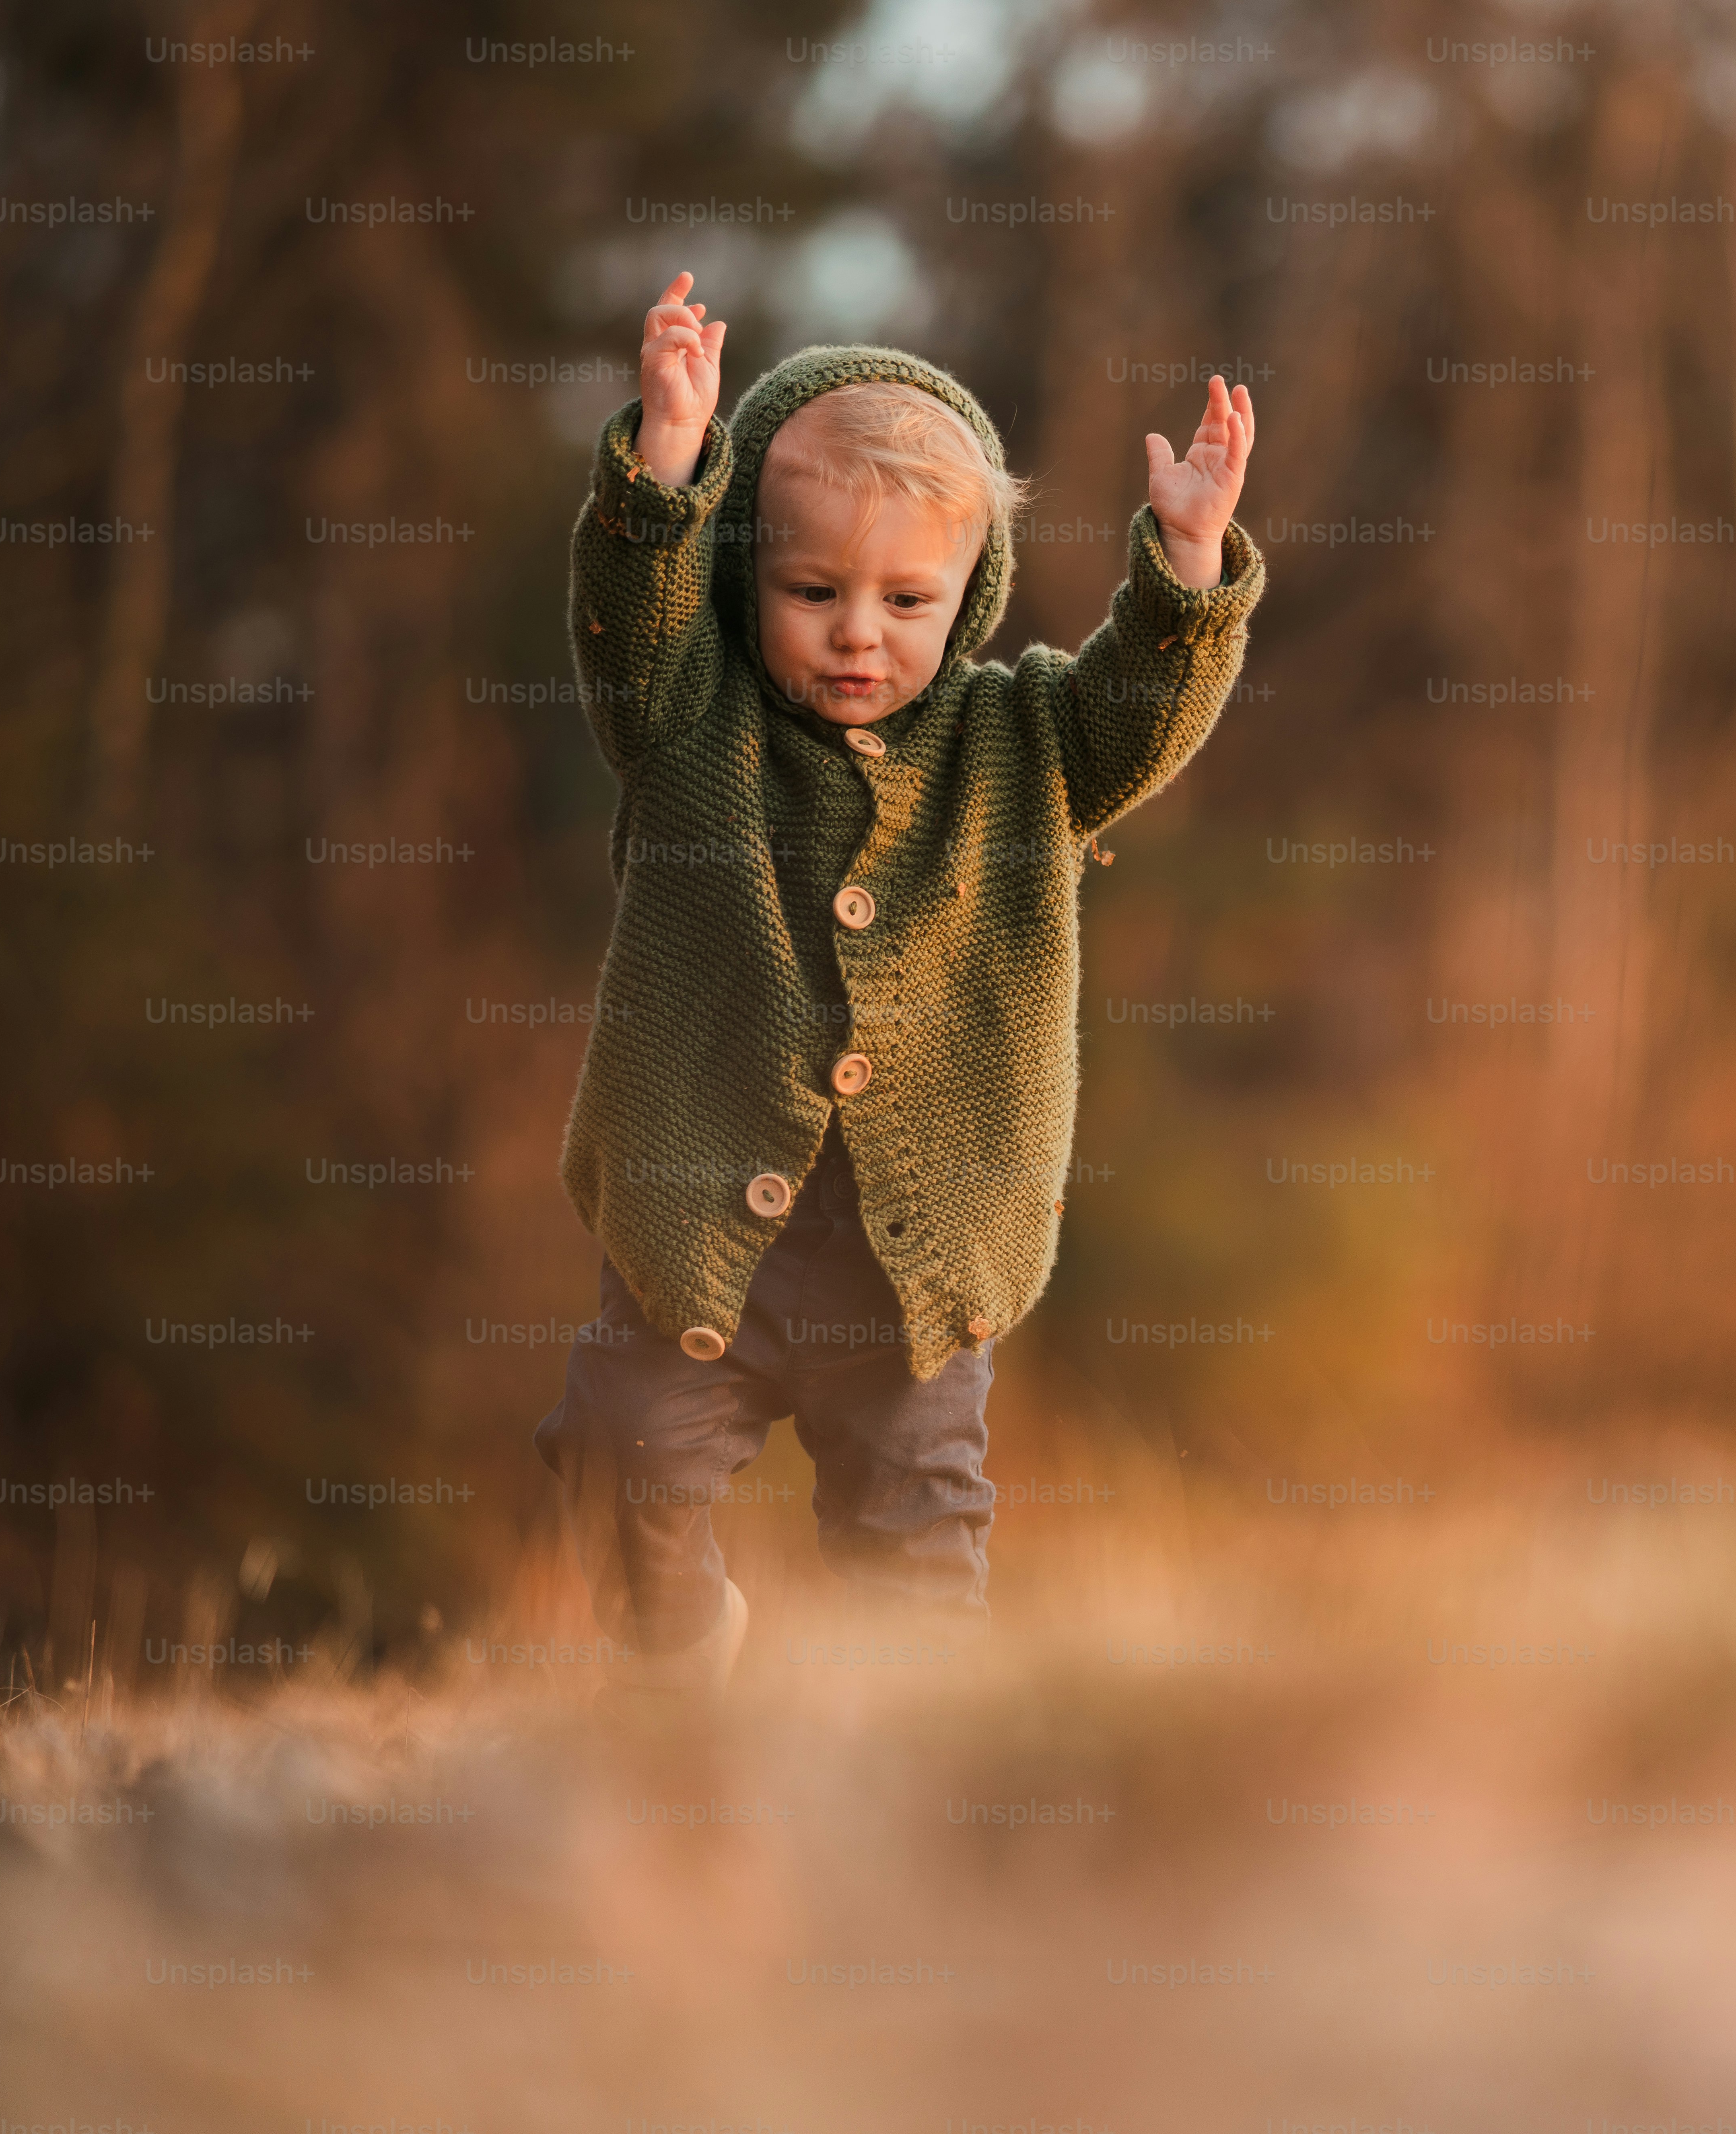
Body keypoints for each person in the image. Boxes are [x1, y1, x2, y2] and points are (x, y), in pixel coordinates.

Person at [531, 271, 1264, 1704]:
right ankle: (684, 1661)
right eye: (814, 592)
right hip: (701, 1232)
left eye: (907, 599)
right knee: (614, 1464)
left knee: (914, 1538)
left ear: (970, 594)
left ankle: (908, 1767)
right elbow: (634, 623)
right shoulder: (694, 719)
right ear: (752, 582)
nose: (860, 634)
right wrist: (670, 466)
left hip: (916, 1269)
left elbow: (1142, 707)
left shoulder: (1023, 737)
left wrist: (1184, 566)